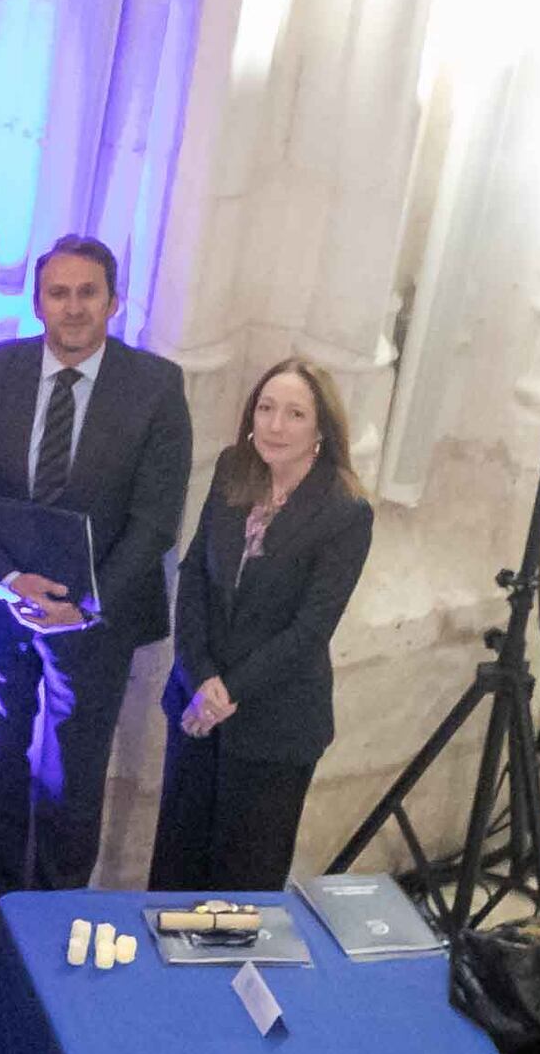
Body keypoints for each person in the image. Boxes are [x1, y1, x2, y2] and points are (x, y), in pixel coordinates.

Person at [0, 235, 194, 900]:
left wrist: (86, 601)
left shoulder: (156, 386)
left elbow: (156, 518)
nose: (73, 307)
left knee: (73, 777)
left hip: (94, 619)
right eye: (59, 292)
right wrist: (1, 577)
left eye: (88, 292)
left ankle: (52, 913)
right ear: (38, 301)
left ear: (113, 301)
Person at [150, 356, 373, 890]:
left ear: (321, 428)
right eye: (267, 408)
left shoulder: (345, 512)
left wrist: (226, 692)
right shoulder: (233, 469)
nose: (275, 425)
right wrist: (200, 677)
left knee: (239, 884)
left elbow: (310, 629)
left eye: (295, 413)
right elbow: (195, 577)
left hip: (274, 723)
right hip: (195, 707)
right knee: (174, 870)